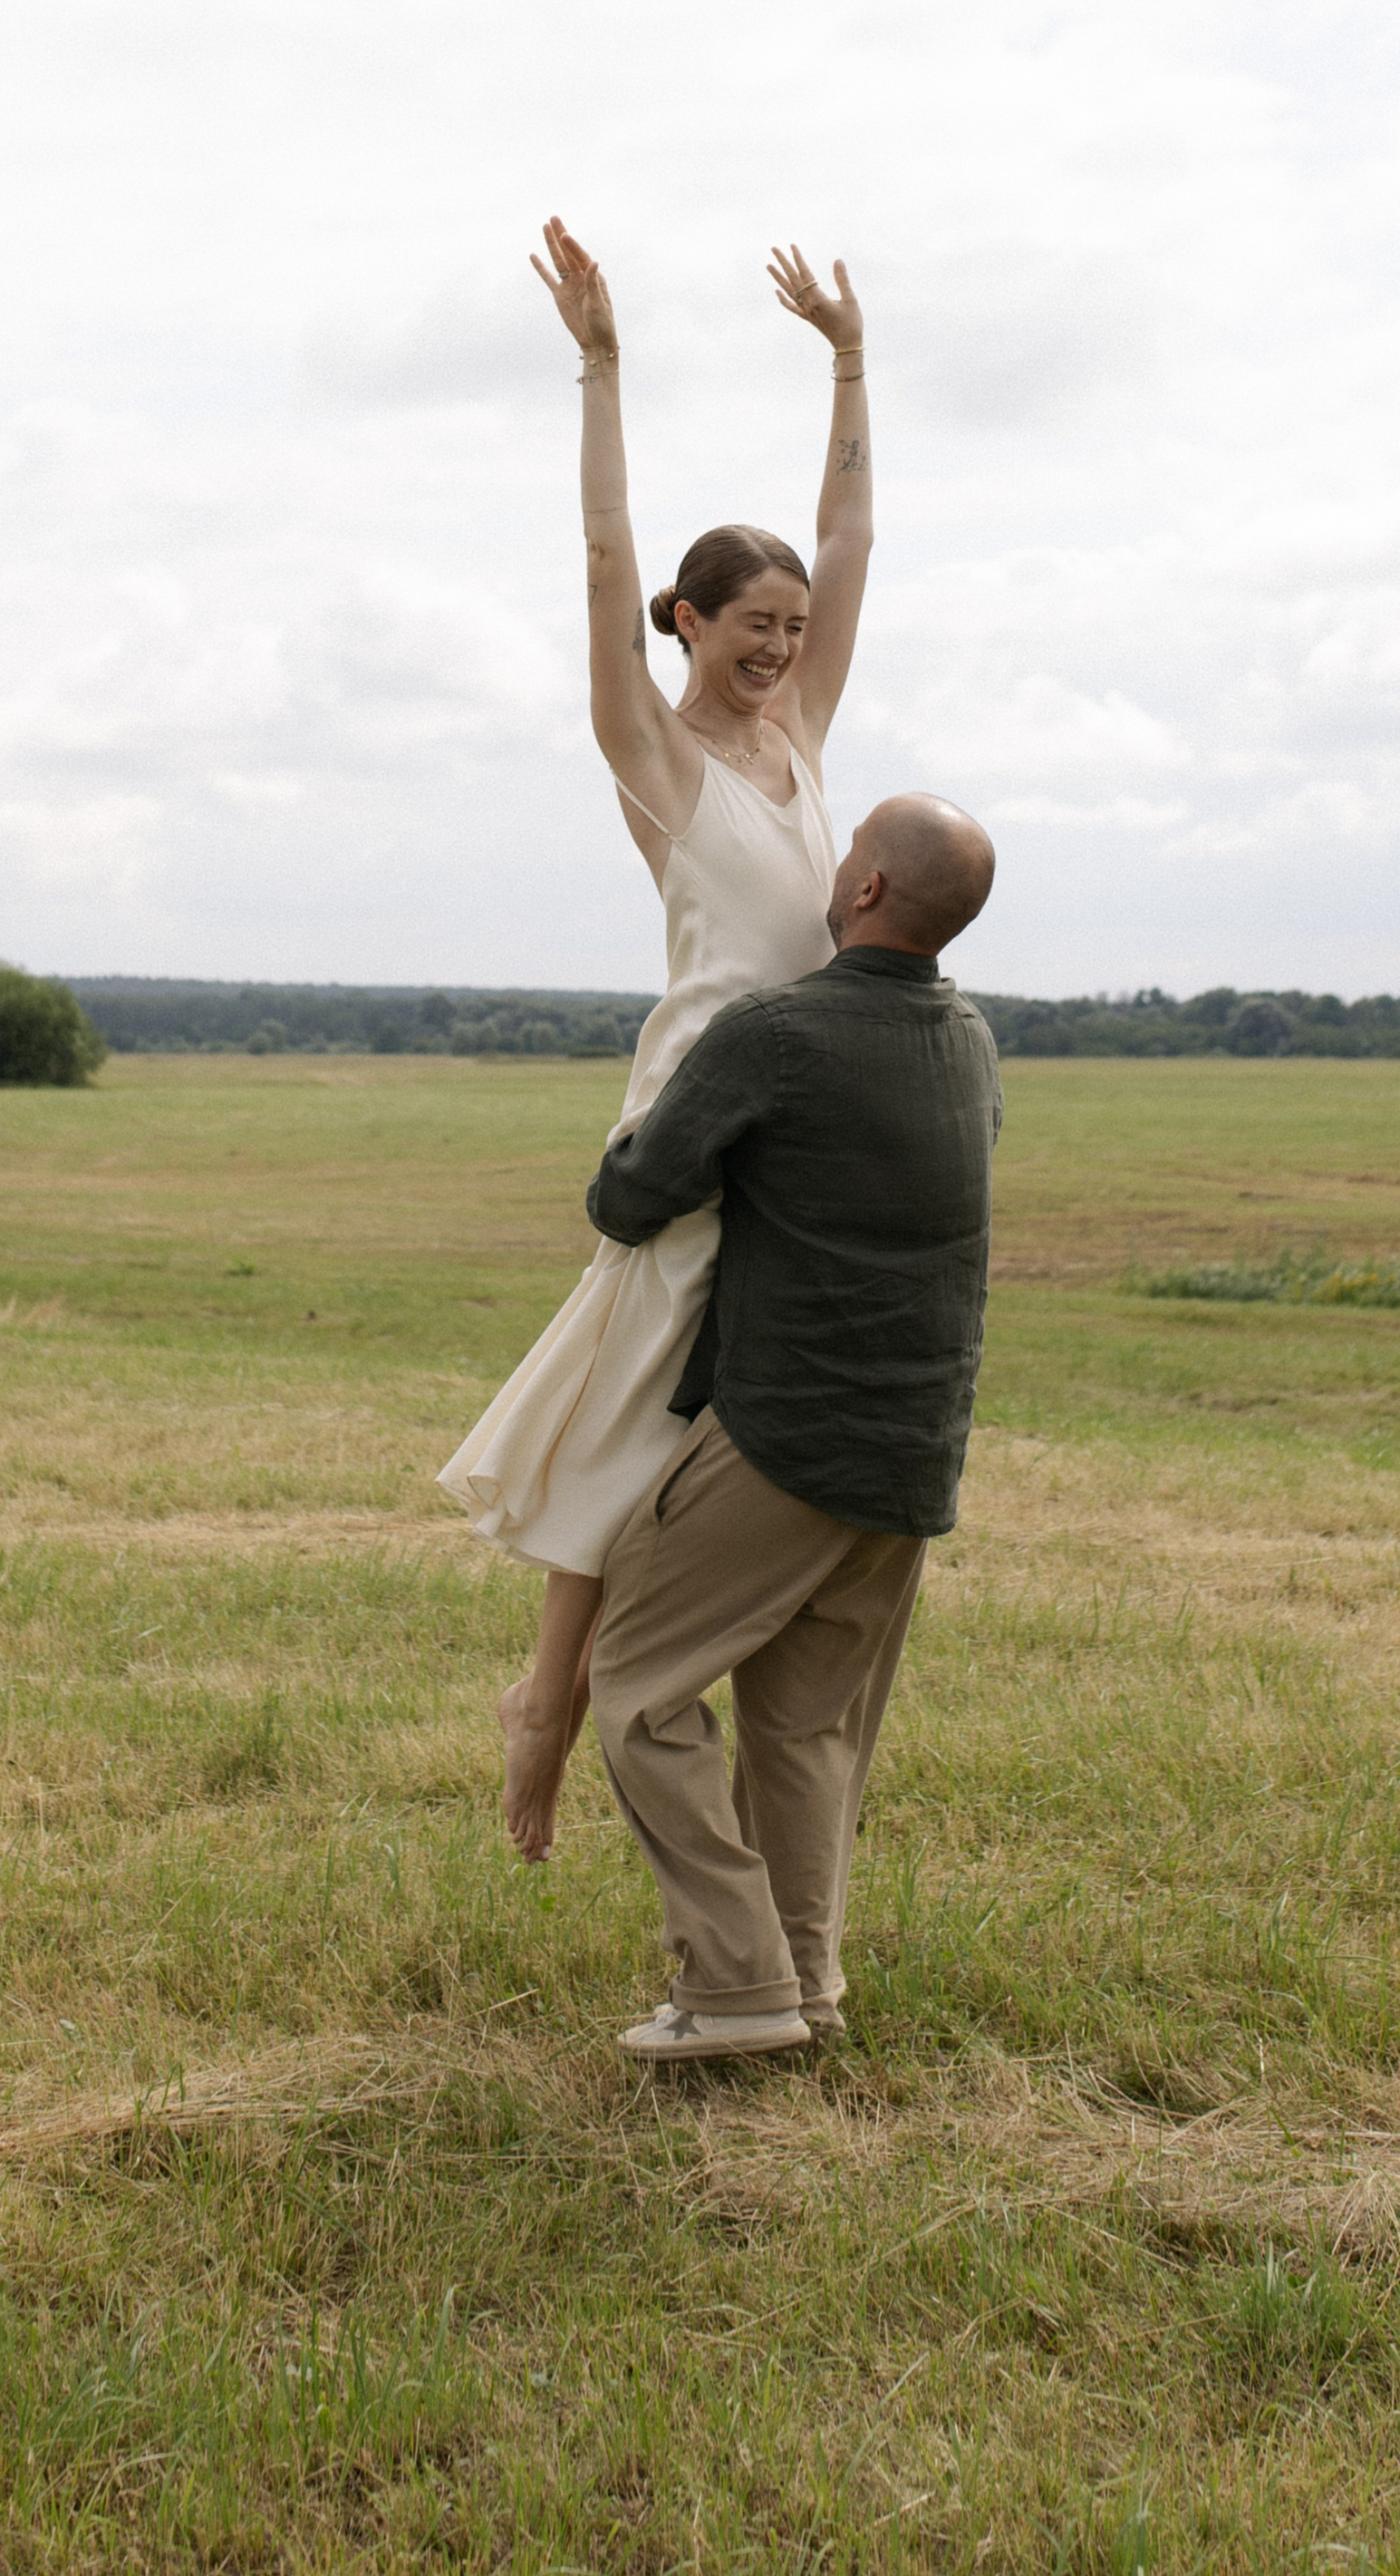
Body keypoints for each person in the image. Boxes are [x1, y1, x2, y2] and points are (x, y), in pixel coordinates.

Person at [439, 218, 876, 1862]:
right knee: (638, 1407)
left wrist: (847, 361)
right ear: (690, 625)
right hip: (698, 1117)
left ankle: (645, 1676)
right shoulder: (660, 756)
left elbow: (855, 532)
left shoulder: (801, 734)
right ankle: (547, 1700)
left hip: (805, 1117)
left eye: (793, 625)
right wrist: (603, 366)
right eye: (749, 624)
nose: (777, 646)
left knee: (714, 1423)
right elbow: (607, 557)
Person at [582, 794, 1001, 2056]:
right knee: (807, 1728)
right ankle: (804, 1996)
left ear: (865, 887)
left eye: (848, 848)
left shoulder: (777, 1033)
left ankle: (737, 1979)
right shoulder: (971, 1039)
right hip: (913, 1452)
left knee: (637, 1689)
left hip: (783, 1434)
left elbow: (630, 1196)